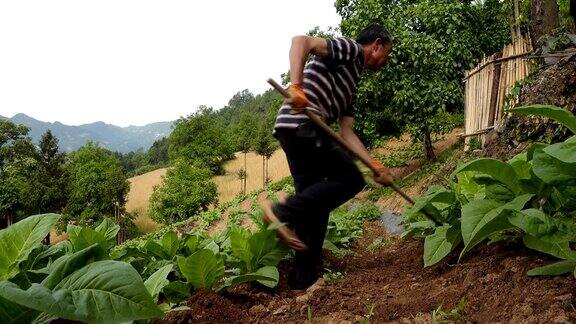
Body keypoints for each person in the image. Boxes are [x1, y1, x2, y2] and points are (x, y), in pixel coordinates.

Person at [262, 24, 395, 290]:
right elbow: (301, 41)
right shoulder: (351, 50)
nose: (386, 61)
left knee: (315, 206)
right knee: (351, 178)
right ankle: (280, 211)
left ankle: (303, 280)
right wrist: (296, 86)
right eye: (387, 54)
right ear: (377, 45)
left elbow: (347, 133)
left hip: (294, 131)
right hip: (303, 126)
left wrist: (376, 166)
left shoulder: (352, 82)